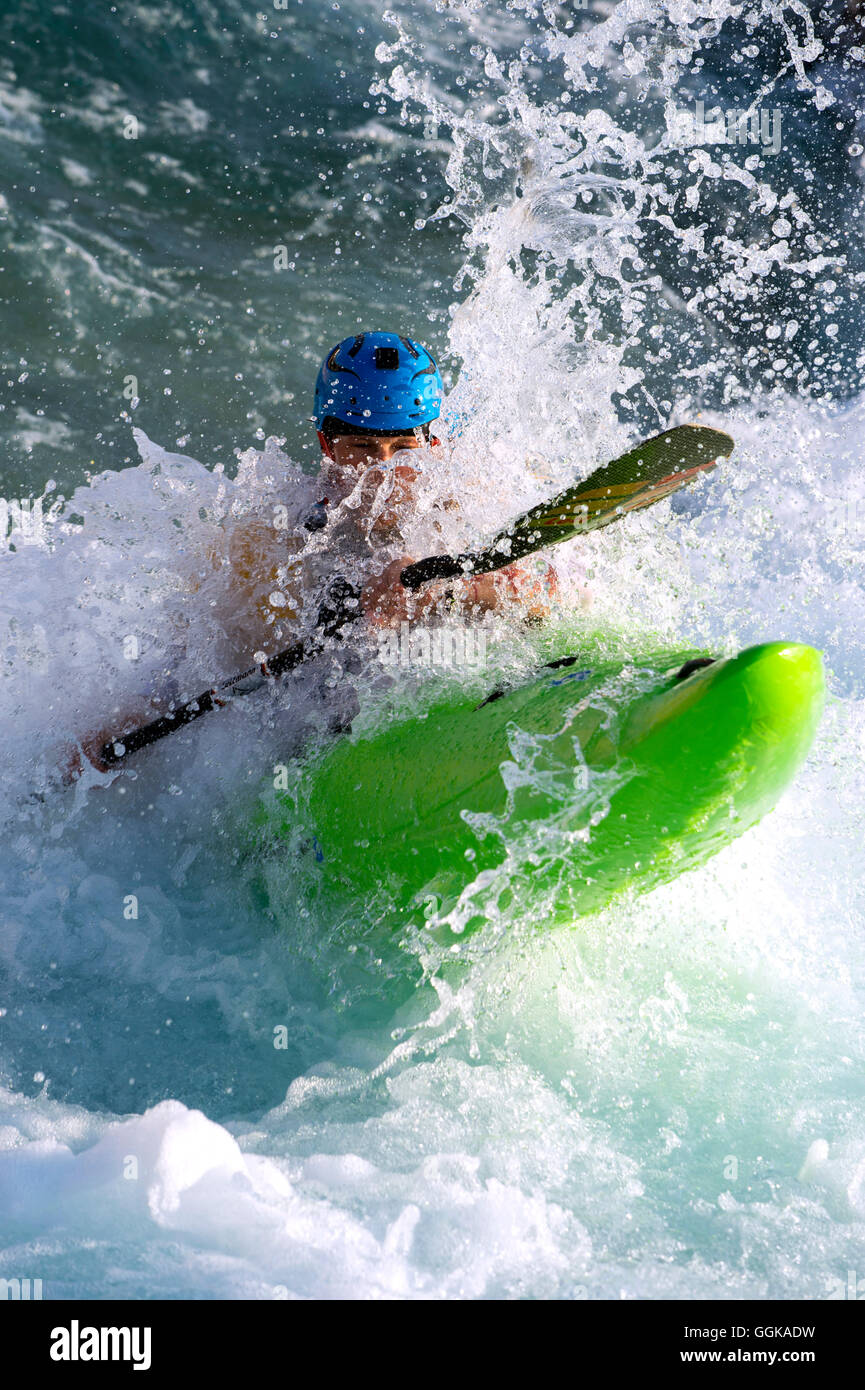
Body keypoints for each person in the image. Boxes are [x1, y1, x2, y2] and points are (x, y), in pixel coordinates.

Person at [73, 330, 555, 773]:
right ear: (327, 444)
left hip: (457, 689)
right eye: (363, 447)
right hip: (329, 732)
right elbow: (200, 656)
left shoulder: (470, 500)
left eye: (403, 447)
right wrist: (129, 720)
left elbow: (546, 601)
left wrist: (442, 588)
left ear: (432, 442)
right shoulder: (276, 537)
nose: (382, 471)